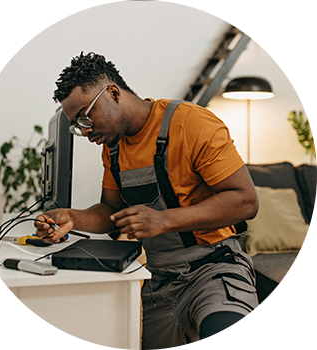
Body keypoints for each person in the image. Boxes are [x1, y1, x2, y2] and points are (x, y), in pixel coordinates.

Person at [35, 52, 263, 350]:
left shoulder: (191, 123)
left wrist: (164, 220)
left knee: (231, 338)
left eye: (85, 116)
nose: (85, 130)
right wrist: (73, 218)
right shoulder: (113, 148)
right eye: (77, 125)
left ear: (113, 93)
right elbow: (111, 211)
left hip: (213, 268)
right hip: (158, 279)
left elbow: (245, 201)